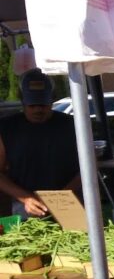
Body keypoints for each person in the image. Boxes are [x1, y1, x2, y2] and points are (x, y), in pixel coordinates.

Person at [0, 68, 80, 218]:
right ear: (23, 102)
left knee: (77, 239)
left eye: (43, 104)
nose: (38, 110)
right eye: (32, 105)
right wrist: (25, 198)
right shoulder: (6, 128)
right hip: (25, 205)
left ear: (52, 100)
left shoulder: (73, 125)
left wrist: (61, 197)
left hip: (69, 201)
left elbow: (89, 167)